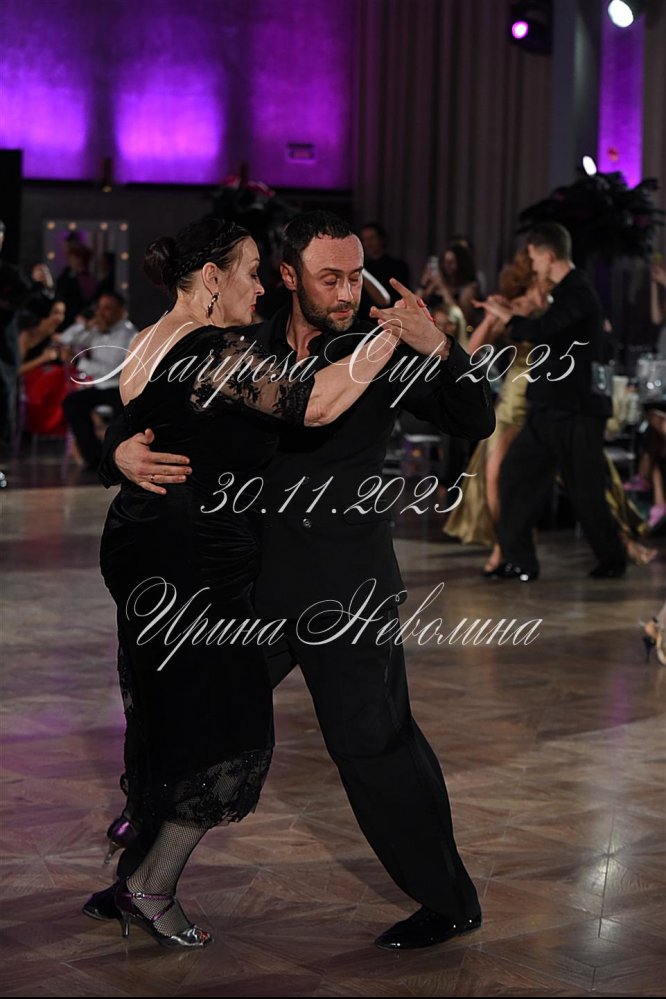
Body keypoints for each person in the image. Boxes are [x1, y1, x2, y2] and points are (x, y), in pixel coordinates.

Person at [90, 210, 495, 951]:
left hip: (344, 585)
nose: (346, 293)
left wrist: (438, 343)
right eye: (329, 278)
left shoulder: (382, 345)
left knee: (374, 744)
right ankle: (141, 879)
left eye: (355, 277)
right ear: (287, 275)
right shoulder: (244, 329)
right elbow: (165, 403)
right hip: (247, 584)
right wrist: (117, 452)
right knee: (196, 727)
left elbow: (475, 415)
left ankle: (449, 900)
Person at [478, 222, 628, 580]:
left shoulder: (579, 291)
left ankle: (613, 559)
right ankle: (519, 561)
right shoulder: (564, 293)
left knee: (585, 489)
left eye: (534, 258)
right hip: (548, 407)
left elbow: (544, 330)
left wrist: (508, 317)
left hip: (577, 410)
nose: (532, 265)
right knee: (516, 474)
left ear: (548, 256)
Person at [58, 293, 137, 470]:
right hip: (99, 387)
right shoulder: (96, 330)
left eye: (107, 308)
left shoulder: (129, 335)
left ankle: (117, 459)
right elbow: (64, 339)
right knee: (72, 403)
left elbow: (110, 371)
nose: (101, 313)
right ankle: (94, 458)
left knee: (122, 414)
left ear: (121, 311)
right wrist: (86, 326)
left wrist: (78, 363)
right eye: (99, 308)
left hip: (121, 388)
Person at [18, 296, 69, 436]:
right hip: (27, 387)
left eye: (62, 313)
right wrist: (43, 359)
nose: (59, 318)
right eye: (55, 312)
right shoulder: (27, 336)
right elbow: (16, 370)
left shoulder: (57, 338)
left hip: (51, 389)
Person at [358, 221, 411, 320]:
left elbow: (390, 299)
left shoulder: (398, 266)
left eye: (371, 239)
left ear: (381, 239)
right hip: (365, 319)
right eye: (365, 240)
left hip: (390, 319)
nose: (368, 244)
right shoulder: (361, 267)